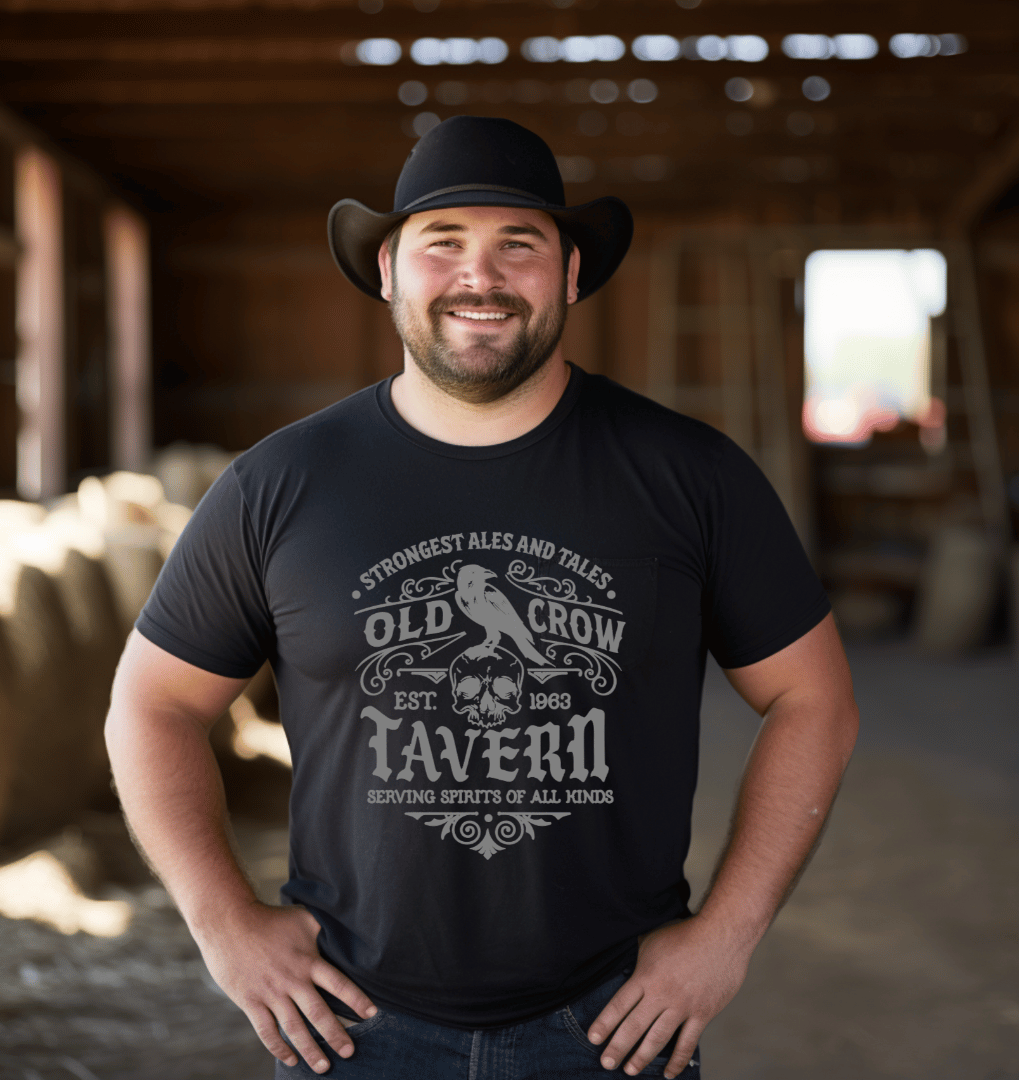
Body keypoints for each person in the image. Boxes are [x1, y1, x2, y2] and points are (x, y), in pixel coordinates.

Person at [106, 116, 859, 1080]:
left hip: (614, 1029)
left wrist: (726, 936)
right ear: (387, 269)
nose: (481, 275)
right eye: (444, 242)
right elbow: (152, 704)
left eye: (519, 244)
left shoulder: (691, 475)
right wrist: (224, 926)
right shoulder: (279, 484)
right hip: (352, 1025)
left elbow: (814, 699)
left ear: (572, 272)